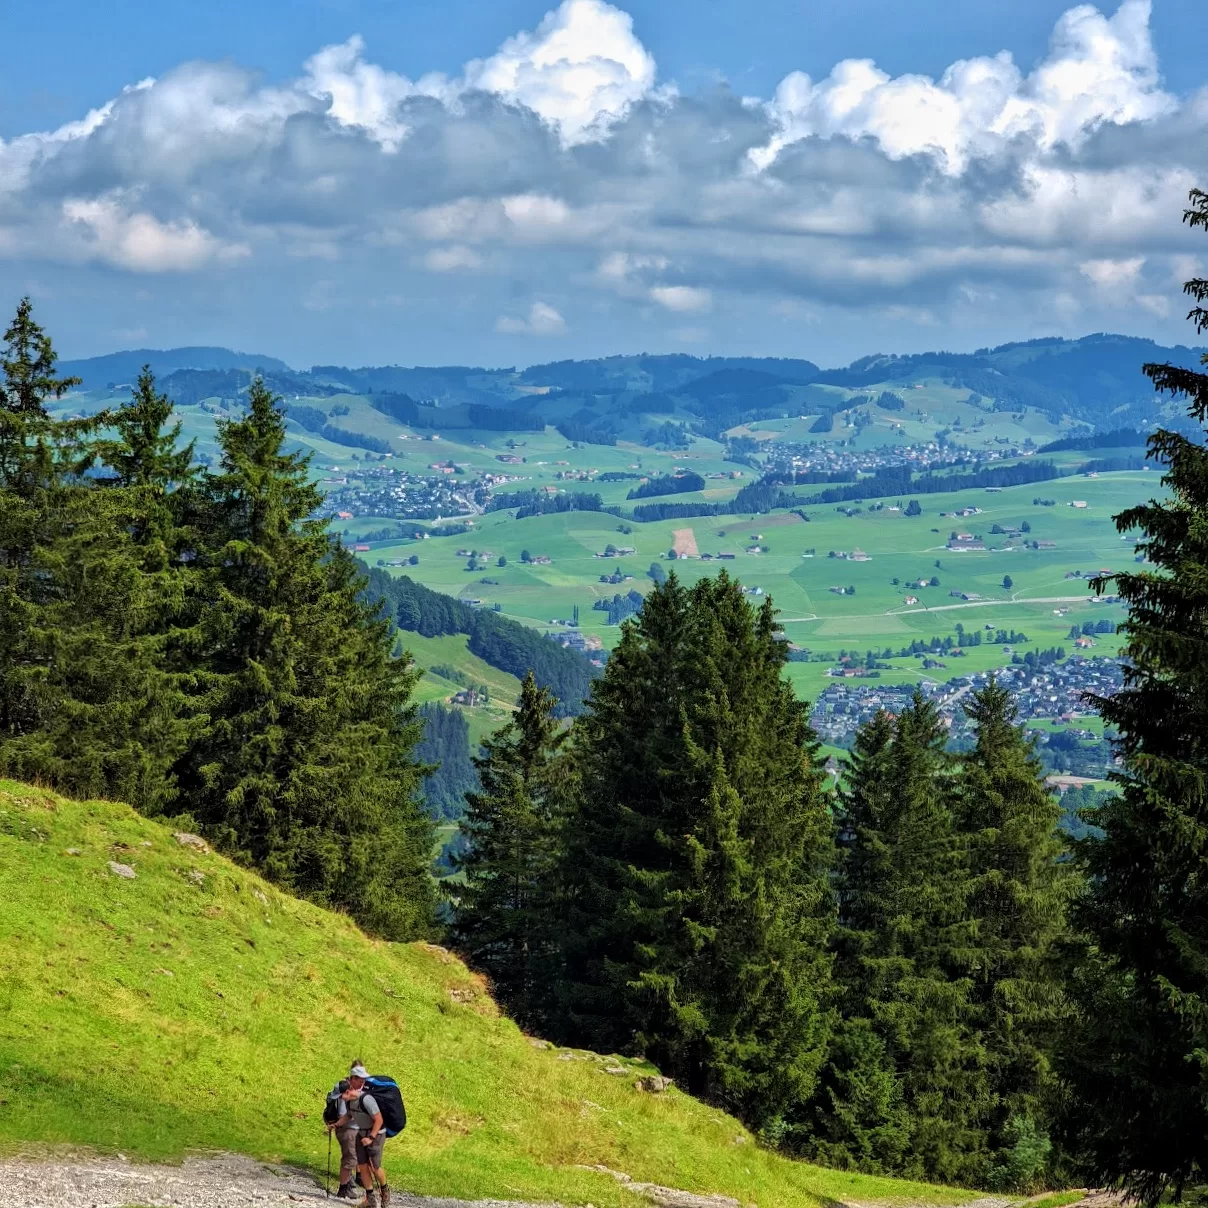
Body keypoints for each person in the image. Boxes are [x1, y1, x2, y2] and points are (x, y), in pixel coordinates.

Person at [344, 1062, 391, 1208]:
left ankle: (385, 1191)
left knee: (375, 1167)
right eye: (359, 1079)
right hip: (362, 1133)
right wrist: (336, 1124)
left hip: (376, 1135)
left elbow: (379, 1120)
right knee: (363, 1166)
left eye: (363, 1079)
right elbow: (349, 1115)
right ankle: (370, 1199)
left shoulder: (367, 1099)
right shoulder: (351, 1097)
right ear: (353, 1079)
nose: (363, 1081)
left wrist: (371, 1137)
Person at [325, 1078, 360, 1201]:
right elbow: (343, 1115)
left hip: (346, 1130)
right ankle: (344, 1189)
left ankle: (347, 1185)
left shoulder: (337, 1092)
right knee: (350, 1158)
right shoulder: (343, 1098)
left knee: (350, 1157)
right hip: (347, 1130)